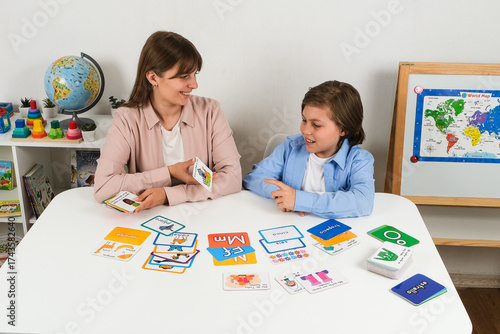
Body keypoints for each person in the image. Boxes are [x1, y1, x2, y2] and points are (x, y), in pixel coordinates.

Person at [94, 31, 242, 212]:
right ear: (153, 78)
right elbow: (103, 187)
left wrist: (168, 194)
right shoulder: (127, 119)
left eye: (194, 74)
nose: (194, 84)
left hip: (204, 212)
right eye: (184, 76)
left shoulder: (210, 111)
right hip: (150, 218)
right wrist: (169, 172)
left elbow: (233, 178)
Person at [242, 80, 374, 219]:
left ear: (343, 129)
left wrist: (300, 200)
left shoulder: (359, 160)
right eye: (304, 120)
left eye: (316, 125)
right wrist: (285, 197)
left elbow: (363, 202)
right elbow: (253, 178)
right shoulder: (290, 147)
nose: (305, 130)